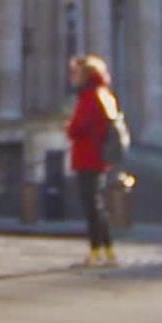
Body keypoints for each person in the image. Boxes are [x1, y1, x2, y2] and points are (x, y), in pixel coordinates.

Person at [66, 54, 122, 267]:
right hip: (99, 157)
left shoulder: (89, 97)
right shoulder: (104, 94)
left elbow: (77, 128)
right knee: (98, 206)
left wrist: (69, 127)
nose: (72, 77)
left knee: (92, 206)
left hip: (87, 157)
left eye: (76, 73)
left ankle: (96, 251)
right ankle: (107, 251)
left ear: (86, 75)